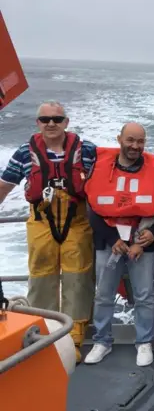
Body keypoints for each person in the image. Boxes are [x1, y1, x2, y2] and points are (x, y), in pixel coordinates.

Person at [0, 101, 96, 363]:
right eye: (45, 119)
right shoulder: (24, 153)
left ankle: (74, 339)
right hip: (41, 224)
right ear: (38, 123)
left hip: (77, 225)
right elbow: (5, 186)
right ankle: (42, 337)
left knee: (78, 282)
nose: (51, 123)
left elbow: (105, 186)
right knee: (42, 281)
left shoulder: (87, 151)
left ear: (66, 122)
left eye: (57, 118)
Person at [83, 122, 154, 367]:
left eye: (140, 141)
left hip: (141, 242)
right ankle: (102, 341)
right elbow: (92, 208)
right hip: (109, 241)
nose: (135, 146)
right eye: (130, 140)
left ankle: (144, 343)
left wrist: (151, 234)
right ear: (119, 139)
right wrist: (112, 239)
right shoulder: (99, 167)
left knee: (145, 295)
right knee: (104, 295)